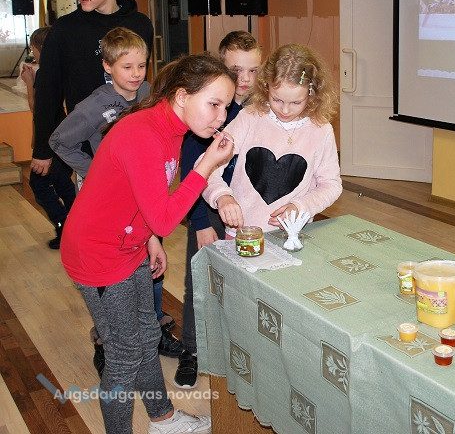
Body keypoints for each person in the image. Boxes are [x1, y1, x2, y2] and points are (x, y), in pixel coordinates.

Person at [60, 54, 236, 434]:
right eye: (214, 104)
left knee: (148, 334)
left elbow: (145, 197)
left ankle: (162, 418)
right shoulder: (143, 133)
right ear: (182, 96)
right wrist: (205, 167)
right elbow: (164, 217)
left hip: (130, 243)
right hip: (98, 255)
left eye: (225, 106)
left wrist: (150, 238)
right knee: (124, 354)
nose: (221, 117)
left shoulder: (171, 127)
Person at [175, 31, 261, 388]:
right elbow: (192, 169)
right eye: (236, 70)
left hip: (246, 211)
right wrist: (199, 222)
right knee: (199, 279)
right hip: (207, 210)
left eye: (253, 70)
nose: (245, 79)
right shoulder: (208, 111)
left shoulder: (259, 110)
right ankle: (192, 349)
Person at [31, 0, 154, 190]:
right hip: (87, 148)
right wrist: (42, 147)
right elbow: (47, 91)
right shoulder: (65, 29)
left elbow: (140, 83)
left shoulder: (140, 24)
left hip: (133, 145)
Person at [202, 42, 342, 239]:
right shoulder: (249, 117)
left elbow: (331, 185)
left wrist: (301, 206)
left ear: (312, 94)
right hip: (242, 233)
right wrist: (222, 196)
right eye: (277, 100)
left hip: (293, 234)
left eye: (296, 102)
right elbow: (206, 165)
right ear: (266, 86)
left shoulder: (321, 130)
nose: (285, 110)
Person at [49, 27, 150, 186]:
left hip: (142, 181)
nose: (136, 73)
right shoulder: (93, 106)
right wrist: (96, 173)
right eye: (127, 67)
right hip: (109, 187)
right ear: (108, 66)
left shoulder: (149, 92)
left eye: (142, 66)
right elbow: (59, 141)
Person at [19, 27, 76, 248]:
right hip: (63, 135)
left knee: (40, 185)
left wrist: (29, 84)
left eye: (33, 48)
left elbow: (38, 109)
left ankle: (65, 226)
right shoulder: (60, 68)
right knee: (63, 184)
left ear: (39, 48)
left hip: (51, 140)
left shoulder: (46, 72)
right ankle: (74, 226)